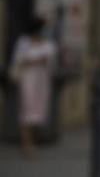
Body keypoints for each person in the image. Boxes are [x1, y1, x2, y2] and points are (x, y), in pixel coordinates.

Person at [10, 17, 56, 157]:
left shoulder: (47, 45)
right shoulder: (23, 43)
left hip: (41, 82)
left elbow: (50, 62)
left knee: (38, 112)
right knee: (27, 111)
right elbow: (20, 60)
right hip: (28, 80)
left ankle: (33, 142)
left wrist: (35, 61)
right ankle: (27, 145)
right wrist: (35, 61)